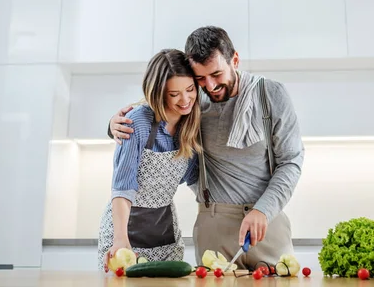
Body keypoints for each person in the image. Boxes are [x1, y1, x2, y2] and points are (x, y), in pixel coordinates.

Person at [107, 26, 304, 270]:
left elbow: (291, 162)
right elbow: (155, 106)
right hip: (212, 226)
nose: (209, 86)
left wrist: (262, 211)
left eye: (216, 74)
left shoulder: (270, 94)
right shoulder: (193, 100)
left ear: (235, 60)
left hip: (265, 222)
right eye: (200, 79)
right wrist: (114, 125)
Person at [98, 49, 201, 272]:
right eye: (174, 94)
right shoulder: (138, 122)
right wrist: (120, 241)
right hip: (124, 232)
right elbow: (123, 187)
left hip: (165, 233)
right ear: (158, 93)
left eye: (190, 89)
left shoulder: (192, 124)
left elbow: (195, 180)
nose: (185, 100)